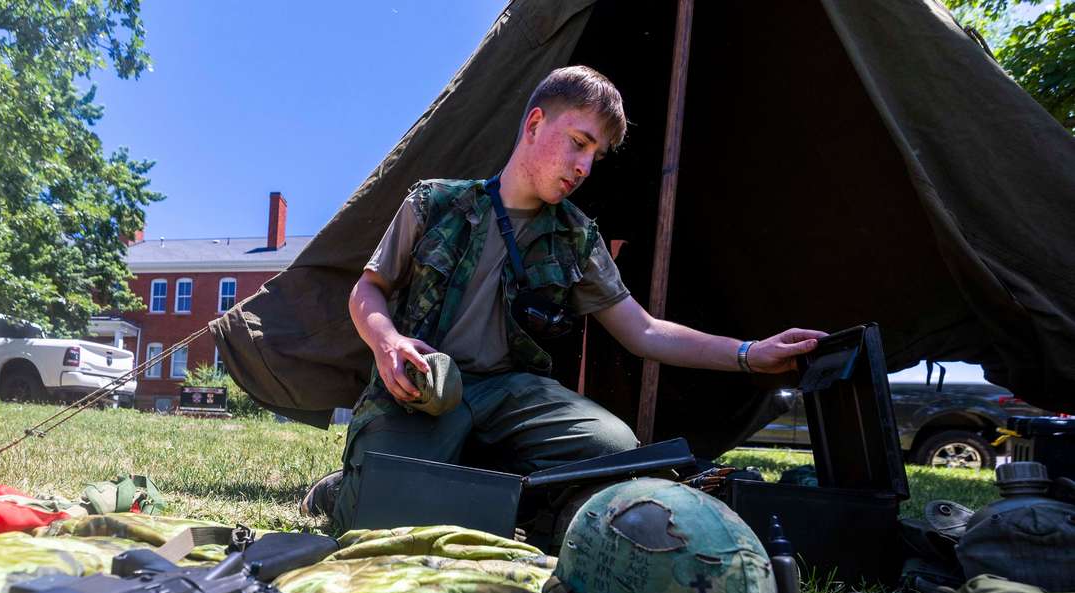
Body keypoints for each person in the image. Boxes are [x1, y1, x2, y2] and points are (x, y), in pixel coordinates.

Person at [305, 66, 825, 530]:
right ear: (534, 125)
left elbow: (642, 331)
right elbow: (367, 289)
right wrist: (387, 342)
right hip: (425, 388)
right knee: (379, 518)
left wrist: (750, 354)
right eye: (578, 142)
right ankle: (342, 490)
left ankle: (496, 488)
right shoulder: (436, 202)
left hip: (511, 395)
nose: (584, 166)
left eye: (595, 155)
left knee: (615, 451)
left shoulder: (577, 238)